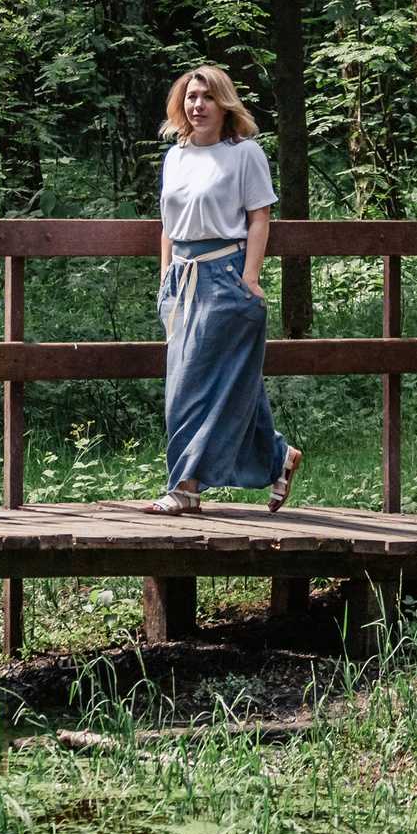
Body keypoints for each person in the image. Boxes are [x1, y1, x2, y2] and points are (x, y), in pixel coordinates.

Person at [146, 65, 300, 516]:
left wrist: (250, 278)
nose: (198, 106)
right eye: (191, 97)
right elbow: (167, 227)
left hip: (224, 274)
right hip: (181, 280)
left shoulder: (245, 153)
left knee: (190, 387)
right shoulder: (175, 156)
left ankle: (184, 486)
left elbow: (259, 217)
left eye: (207, 97)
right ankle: (278, 457)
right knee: (224, 384)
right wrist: (164, 281)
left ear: (224, 103)